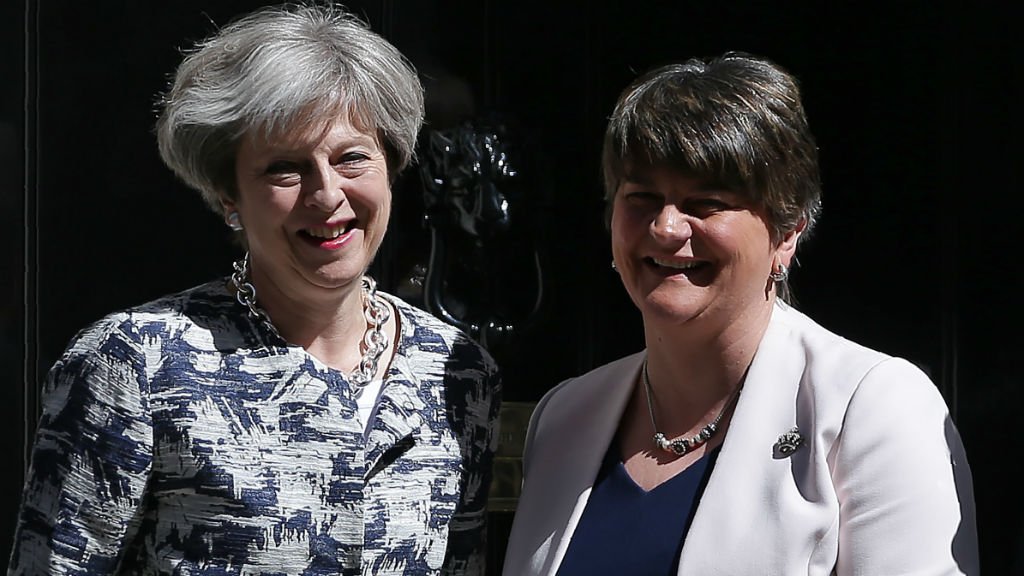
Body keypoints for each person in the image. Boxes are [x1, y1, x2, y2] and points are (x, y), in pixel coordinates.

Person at [9, 4, 501, 575]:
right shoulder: (138, 363)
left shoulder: (457, 372)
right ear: (229, 196)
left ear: (390, 168)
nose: (327, 195)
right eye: (285, 168)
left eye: (351, 158)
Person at [502, 52, 977, 575]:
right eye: (642, 197)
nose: (665, 227)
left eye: (705, 202)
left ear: (787, 232)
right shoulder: (564, 416)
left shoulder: (870, 406)